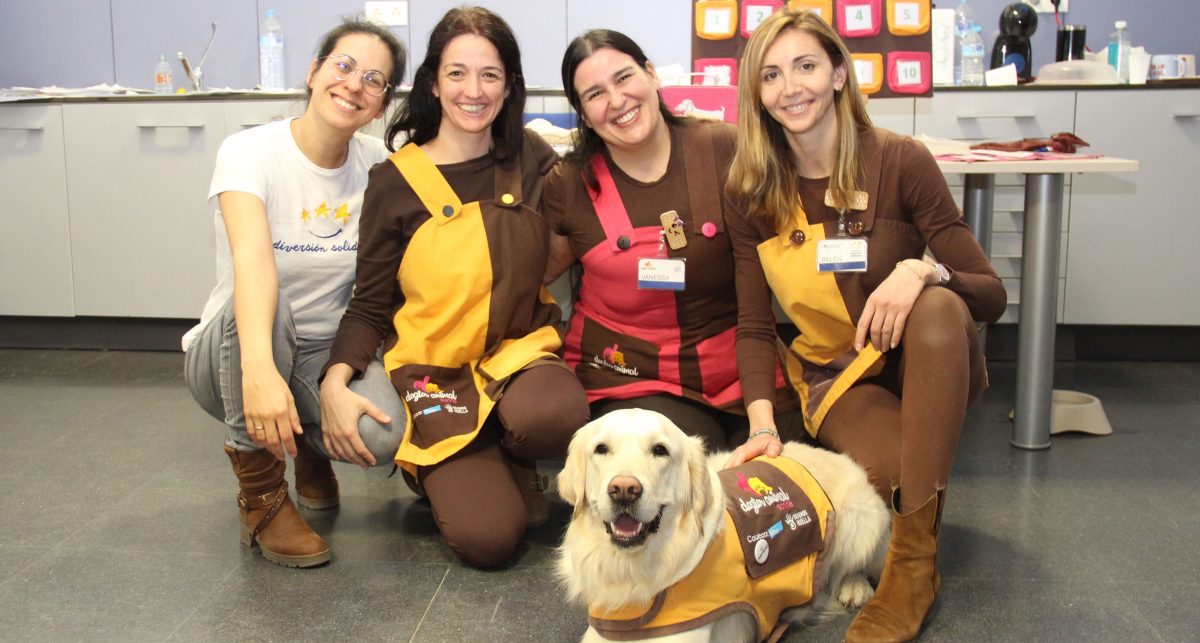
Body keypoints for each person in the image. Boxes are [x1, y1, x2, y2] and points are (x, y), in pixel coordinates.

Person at [722, 10, 1007, 641]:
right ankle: (915, 511)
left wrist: (924, 271)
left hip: (928, 356)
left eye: (806, 66)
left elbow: (989, 294)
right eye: (771, 75)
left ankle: (912, 570)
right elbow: (751, 323)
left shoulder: (902, 161)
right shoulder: (751, 189)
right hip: (838, 372)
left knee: (936, 306)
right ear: (757, 95)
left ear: (839, 74)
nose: (790, 87)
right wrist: (763, 424)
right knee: (892, 484)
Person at [321, 6, 590, 569]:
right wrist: (335, 380)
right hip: (435, 372)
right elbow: (369, 304)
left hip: (518, 357)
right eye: (458, 73)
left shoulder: (532, 157)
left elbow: (583, 220)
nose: (474, 90)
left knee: (555, 417)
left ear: (510, 84)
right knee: (490, 542)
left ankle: (513, 451)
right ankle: (459, 464)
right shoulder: (394, 182)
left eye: (490, 74)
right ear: (434, 83)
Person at [183, 20, 407, 568]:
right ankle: (261, 498)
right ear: (313, 73)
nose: (355, 84)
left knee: (382, 436)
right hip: (235, 350)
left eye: (374, 80)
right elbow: (254, 265)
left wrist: (334, 379)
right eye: (344, 66)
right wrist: (262, 374)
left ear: (380, 105)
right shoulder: (249, 151)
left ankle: (309, 445)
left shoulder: (380, 164)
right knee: (266, 297)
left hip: (320, 352)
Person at [543, 30, 796, 453]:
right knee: (687, 467)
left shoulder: (725, 149)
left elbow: (766, 274)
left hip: (736, 364)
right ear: (583, 114)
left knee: (778, 478)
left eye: (624, 78)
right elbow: (535, 272)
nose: (617, 100)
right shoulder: (569, 183)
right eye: (595, 94)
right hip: (628, 374)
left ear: (652, 74)